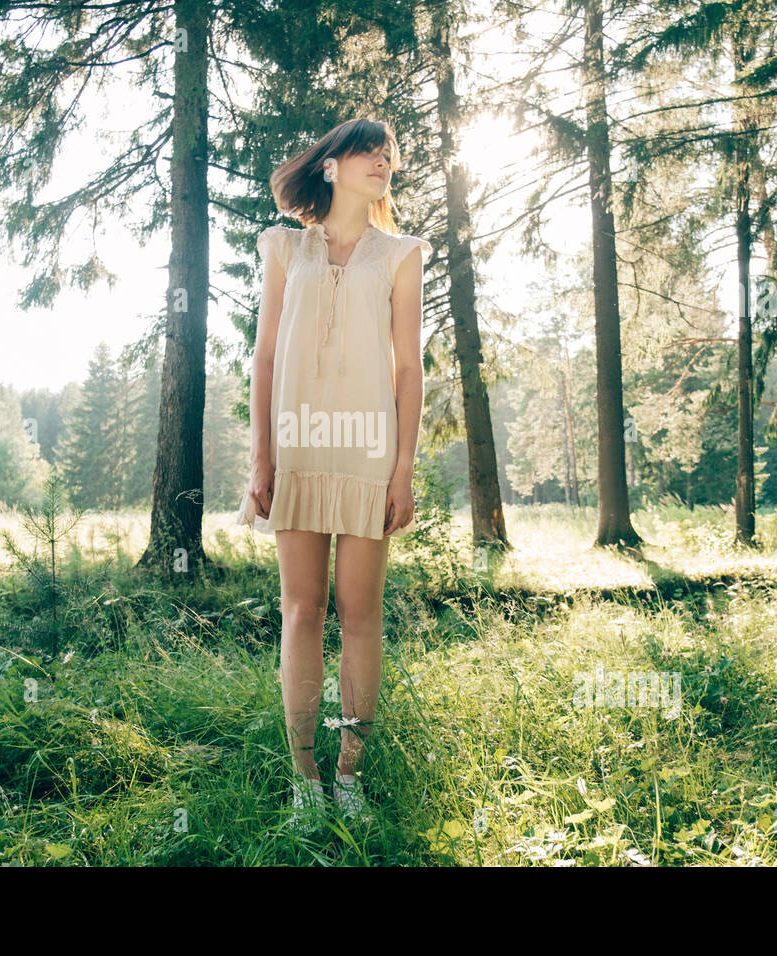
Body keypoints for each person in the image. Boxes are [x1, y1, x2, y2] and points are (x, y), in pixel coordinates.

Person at [235, 117, 432, 832]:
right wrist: (262, 457)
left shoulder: (401, 254)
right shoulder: (286, 248)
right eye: (368, 151)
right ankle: (304, 778)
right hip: (298, 446)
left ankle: (349, 773)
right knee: (301, 611)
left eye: (389, 154)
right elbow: (263, 357)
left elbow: (408, 368)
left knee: (360, 615)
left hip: (368, 451)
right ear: (331, 165)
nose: (383, 161)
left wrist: (403, 468)